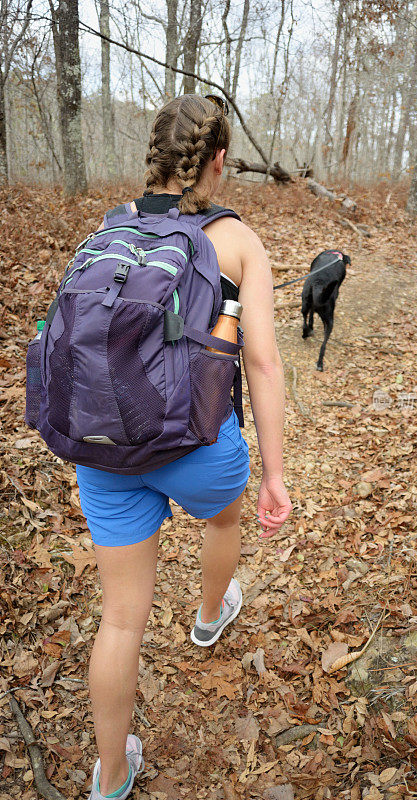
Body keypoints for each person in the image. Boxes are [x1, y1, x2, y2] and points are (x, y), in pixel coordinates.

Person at [77, 95, 293, 800]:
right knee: (223, 517)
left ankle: (111, 778)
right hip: (199, 447)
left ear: (155, 159)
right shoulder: (237, 242)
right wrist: (275, 474)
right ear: (218, 162)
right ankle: (208, 618)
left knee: (118, 619)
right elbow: (260, 364)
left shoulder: (109, 230)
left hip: (106, 450)